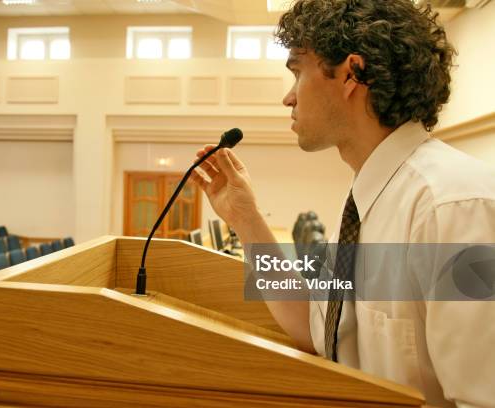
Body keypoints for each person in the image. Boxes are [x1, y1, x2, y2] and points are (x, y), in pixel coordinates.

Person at [190, 0, 495, 406]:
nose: (288, 98)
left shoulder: (453, 207)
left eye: (298, 72)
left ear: (352, 73)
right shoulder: (365, 199)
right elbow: (316, 329)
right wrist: (245, 219)